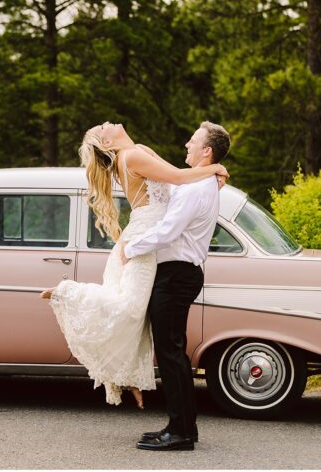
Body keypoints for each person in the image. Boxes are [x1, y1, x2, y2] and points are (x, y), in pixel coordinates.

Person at [40, 121, 227, 411]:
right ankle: (69, 293)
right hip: (142, 241)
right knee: (129, 308)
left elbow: (179, 184)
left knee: (139, 314)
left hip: (147, 240)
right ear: (109, 143)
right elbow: (179, 177)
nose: (108, 123)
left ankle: (132, 380)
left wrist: (209, 171)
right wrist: (214, 169)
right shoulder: (131, 157)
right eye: (103, 127)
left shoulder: (139, 151)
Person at [125, 120, 231, 452]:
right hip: (178, 273)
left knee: (171, 354)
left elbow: (169, 230)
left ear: (207, 151)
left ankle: (181, 432)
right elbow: (170, 189)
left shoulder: (199, 187)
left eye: (192, 141)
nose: (187, 144)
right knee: (173, 352)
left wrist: (130, 249)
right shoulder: (199, 183)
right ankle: (181, 426)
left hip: (176, 274)